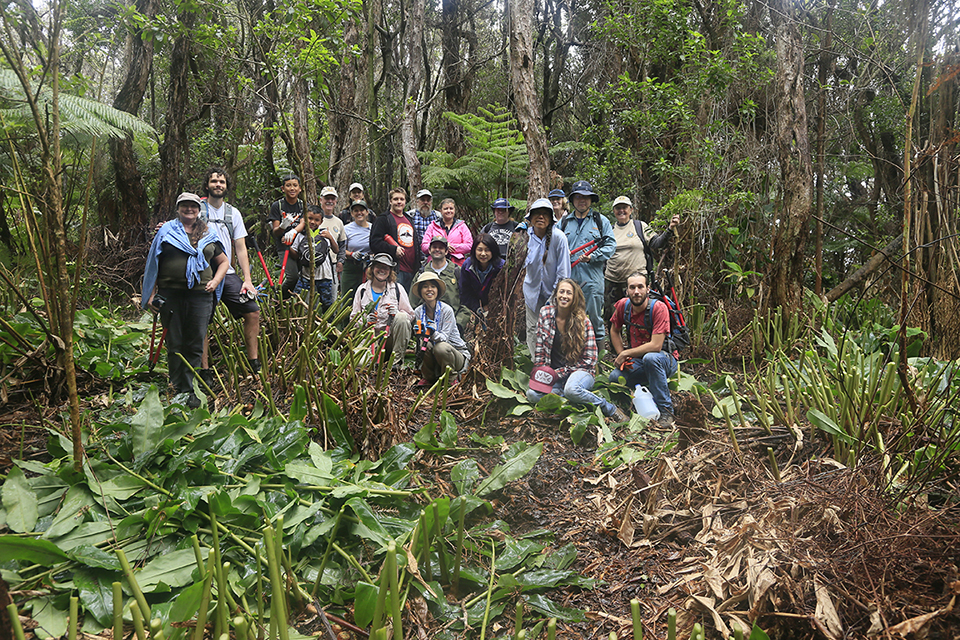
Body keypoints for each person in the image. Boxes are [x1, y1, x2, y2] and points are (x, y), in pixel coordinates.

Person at [142, 193, 229, 408]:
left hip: (200, 295)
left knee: (195, 341)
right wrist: (152, 294)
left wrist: (216, 281)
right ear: (178, 208)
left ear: (199, 209)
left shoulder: (208, 232)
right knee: (174, 340)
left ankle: (191, 389)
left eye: (193, 206)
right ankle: (177, 385)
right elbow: (154, 262)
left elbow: (224, 261)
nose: (189, 209)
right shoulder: (166, 231)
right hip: (171, 293)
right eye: (184, 206)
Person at [526, 279, 627, 421]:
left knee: (571, 389)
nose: (564, 296)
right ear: (556, 295)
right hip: (555, 375)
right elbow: (540, 350)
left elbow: (590, 360)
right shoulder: (546, 313)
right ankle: (570, 397)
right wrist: (542, 374)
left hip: (581, 372)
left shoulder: (583, 321)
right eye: (561, 292)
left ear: (574, 298)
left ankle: (608, 408)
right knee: (532, 394)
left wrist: (559, 373)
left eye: (569, 293)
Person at [197, 168, 262, 378]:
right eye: (214, 181)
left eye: (222, 182)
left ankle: (253, 360)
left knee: (252, 311)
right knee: (202, 319)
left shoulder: (233, 213)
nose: (218, 184)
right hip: (203, 272)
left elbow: (241, 248)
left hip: (228, 273)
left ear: (226, 186)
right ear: (207, 185)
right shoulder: (196, 209)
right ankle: (204, 369)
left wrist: (248, 280)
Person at [608, 271, 678, 425]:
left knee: (651, 358)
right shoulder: (622, 306)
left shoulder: (658, 308)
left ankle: (666, 411)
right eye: (632, 288)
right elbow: (614, 330)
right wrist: (622, 356)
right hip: (638, 362)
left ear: (648, 289)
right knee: (614, 378)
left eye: (640, 287)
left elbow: (656, 345)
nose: (636, 292)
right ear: (627, 291)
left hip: (664, 359)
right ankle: (631, 406)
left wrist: (626, 353)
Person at [604, 196, 680, 335]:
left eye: (624, 207)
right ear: (614, 211)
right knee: (613, 318)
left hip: (637, 281)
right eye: (618, 208)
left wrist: (670, 229)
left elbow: (657, 243)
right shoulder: (609, 230)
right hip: (613, 280)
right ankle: (618, 353)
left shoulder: (640, 226)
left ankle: (637, 349)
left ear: (631, 210)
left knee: (638, 316)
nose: (621, 211)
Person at [561, 180, 616, 354]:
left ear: (591, 200)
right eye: (578, 197)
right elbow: (553, 244)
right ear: (573, 200)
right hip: (569, 280)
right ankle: (572, 356)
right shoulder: (563, 223)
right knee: (568, 318)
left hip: (592, 279)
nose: (581, 200)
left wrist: (593, 257)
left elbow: (611, 245)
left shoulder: (601, 221)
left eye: (585, 197)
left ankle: (597, 361)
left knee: (594, 318)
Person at [522, 198, 570, 356]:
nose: (541, 217)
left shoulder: (559, 237)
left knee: (554, 328)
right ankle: (537, 363)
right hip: (531, 291)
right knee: (533, 328)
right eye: (537, 214)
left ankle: (555, 361)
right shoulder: (524, 237)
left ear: (551, 218)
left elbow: (563, 271)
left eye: (545, 214)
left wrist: (556, 296)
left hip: (555, 291)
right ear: (531, 217)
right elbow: (516, 266)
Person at [350, 253, 414, 369]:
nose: (382, 270)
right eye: (378, 266)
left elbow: (410, 315)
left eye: (386, 267)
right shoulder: (362, 290)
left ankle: (397, 362)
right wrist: (364, 322)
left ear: (390, 271)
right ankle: (372, 361)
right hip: (369, 339)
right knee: (359, 363)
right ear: (372, 268)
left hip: (389, 340)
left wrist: (397, 314)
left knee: (402, 317)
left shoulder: (397, 289)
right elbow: (353, 318)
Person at [411, 271, 471, 386]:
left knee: (441, 347)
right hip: (435, 356)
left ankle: (451, 378)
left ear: (437, 290)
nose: (429, 290)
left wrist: (431, 333)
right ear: (420, 291)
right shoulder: (419, 311)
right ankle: (428, 377)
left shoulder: (446, 310)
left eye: (433, 286)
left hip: (454, 354)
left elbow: (444, 338)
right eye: (425, 287)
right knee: (423, 342)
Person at [285, 205, 334, 309]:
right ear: (304, 219)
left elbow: (336, 250)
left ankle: (327, 323)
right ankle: (296, 320)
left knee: (327, 303)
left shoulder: (324, 234)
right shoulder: (301, 235)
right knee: (297, 298)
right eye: (310, 218)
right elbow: (295, 252)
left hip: (324, 275)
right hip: (305, 275)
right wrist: (289, 246)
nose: (312, 222)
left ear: (321, 222)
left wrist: (330, 237)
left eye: (316, 220)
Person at [370, 187, 417, 292]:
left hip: (412, 270)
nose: (399, 202)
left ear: (405, 201)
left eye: (402, 199)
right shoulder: (383, 219)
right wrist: (393, 249)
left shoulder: (409, 219)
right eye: (396, 199)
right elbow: (374, 243)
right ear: (390, 201)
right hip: (395, 270)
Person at [458, 233, 504, 332]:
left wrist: (491, 307)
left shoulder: (501, 267)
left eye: (487, 250)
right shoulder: (467, 266)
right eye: (480, 250)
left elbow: (505, 292)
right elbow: (464, 292)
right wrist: (478, 308)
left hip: (497, 309)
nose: (483, 254)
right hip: (475, 308)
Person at [267, 174, 305, 293]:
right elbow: (275, 231)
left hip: (300, 246)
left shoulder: (303, 205)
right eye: (288, 185)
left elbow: (304, 222)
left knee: (303, 277)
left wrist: (294, 231)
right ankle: (279, 297)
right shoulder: (277, 206)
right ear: (283, 189)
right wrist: (283, 226)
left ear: (299, 188)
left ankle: (293, 302)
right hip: (284, 246)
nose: (292, 188)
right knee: (292, 277)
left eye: (295, 185)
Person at [409, 235, 462, 320]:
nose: (437, 249)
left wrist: (459, 323)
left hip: (452, 323)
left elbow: (466, 302)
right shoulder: (422, 273)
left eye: (441, 247)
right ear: (429, 250)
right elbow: (412, 303)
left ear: (446, 251)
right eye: (434, 247)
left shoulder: (457, 272)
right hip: (425, 324)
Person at [421, 198, 473, 266]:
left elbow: (469, 246)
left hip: (457, 264)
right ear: (441, 211)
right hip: (435, 263)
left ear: (454, 210)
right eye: (445, 209)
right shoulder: (433, 226)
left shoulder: (462, 226)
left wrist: (451, 247)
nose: (448, 211)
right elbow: (424, 246)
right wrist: (442, 246)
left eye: (451, 208)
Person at [318, 186, 348, 296]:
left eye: (332, 199)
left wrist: (340, 261)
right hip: (315, 265)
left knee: (332, 296)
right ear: (321, 200)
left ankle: (333, 314)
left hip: (332, 266)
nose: (329, 201)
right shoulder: (314, 218)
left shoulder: (338, 222)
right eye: (327, 198)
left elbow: (342, 245)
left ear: (336, 201)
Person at [342, 200, 373, 300]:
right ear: (352, 213)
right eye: (356, 210)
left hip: (369, 267)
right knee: (348, 298)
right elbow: (341, 249)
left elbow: (379, 246)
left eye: (362, 210)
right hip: (351, 267)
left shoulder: (373, 228)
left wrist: (372, 256)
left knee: (366, 297)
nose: (359, 213)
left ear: (367, 212)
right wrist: (351, 254)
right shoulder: (346, 229)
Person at [408, 188, 439, 266]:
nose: (425, 202)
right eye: (422, 200)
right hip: (413, 258)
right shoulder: (410, 216)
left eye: (428, 200)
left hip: (433, 257)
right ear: (417, 201)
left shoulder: (438, 217)